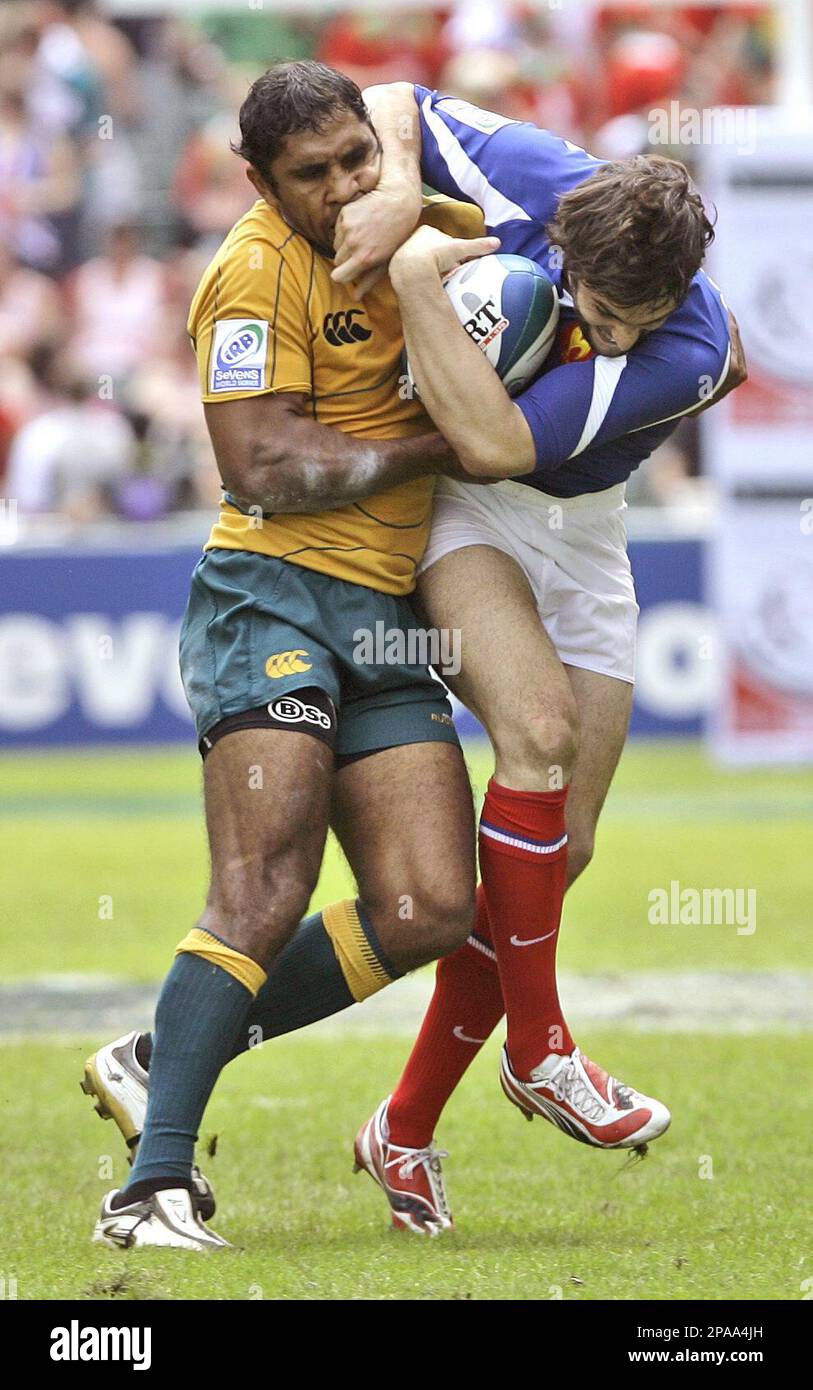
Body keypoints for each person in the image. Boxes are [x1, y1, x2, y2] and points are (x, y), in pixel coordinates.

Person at [83, 60, 498, 1251]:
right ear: (262, 181)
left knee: (429, 902)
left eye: (356, 159)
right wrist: (441, 444)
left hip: (382, 614)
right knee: (264, 889)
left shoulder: (426, 224)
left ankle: (165, 1055)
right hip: (267, 598)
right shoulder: (251, 273)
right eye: (310, 176)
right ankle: (150, 1191)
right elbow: (258, 465)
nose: (341, 188)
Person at [330, 82, 746, 1233]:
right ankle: (542, 1047)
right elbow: (387, 96)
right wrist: (409, 186)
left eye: (629, 321)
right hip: (464, 513)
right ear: (566, 234)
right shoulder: (547, 180)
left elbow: (499, 435)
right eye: (596, 307)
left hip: (574, 516)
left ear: (678, 299)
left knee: (559, 855)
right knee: (539, 734)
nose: (605, 331)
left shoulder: (687, 347)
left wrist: (419, 271)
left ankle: (401, 1130)